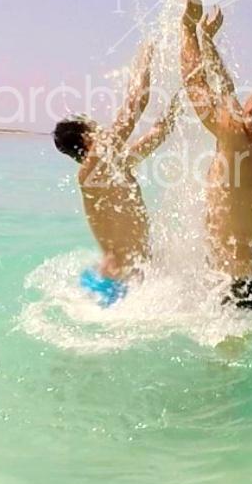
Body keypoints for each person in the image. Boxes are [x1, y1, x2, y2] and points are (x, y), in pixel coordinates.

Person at [179, 0, 252, 311]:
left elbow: (196, 85)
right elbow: (225, 88)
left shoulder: (238, 137)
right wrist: (207, 40)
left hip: (236, 286)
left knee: (225, 362)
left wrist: (187, 28)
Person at [51, 44, 179, 307]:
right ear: (88, 139)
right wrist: (145, 55)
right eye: (94, 125)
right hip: (118, 286)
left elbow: (158, 134)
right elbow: (135, 104)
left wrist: (179, 100)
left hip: (125, 280)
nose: (102, 127)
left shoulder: (113, 168)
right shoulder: (92, 169)